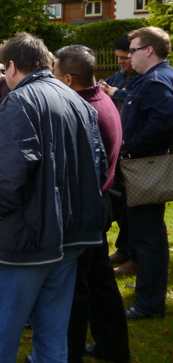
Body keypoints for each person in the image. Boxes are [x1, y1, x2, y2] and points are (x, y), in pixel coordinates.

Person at [0, 33, 106, 363]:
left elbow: (10, 172)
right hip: (71, 235)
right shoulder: (79, 99)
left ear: (13, 67)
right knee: (52, 331)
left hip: (26, 239)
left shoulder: (17, 101)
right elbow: (99, 165)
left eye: (5, 72)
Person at [53, 45, 130, 363]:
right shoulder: (101, 100)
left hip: (86, 208)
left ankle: (66, 354)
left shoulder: (84, 111)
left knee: (75, 288)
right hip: (97, 205)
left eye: (55, 74)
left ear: (68, 78)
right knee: (100, 283)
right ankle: (113, 348)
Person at [120, 26, 173, 319]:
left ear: (149, 51)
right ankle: (148, 294)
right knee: (147, 234)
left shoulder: (155, 81)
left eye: (134, 50)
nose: (130, 56)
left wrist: (129, 147)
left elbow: (163, 125)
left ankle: (149, 303)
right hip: (146, 165)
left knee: (149, 237)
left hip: (145, 168)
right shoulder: (156, 78)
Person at [100, 33, 142, 276]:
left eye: (125, 57)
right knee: (120, 203)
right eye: (118, 58)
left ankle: (135, 257)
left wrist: (115, 93)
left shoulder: (146, 78)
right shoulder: (120, 75)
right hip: (119, 147)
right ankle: (125, 250)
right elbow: (105, 85)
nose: (122, 62)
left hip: (135, 150)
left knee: (135, 207)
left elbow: (138, 100)